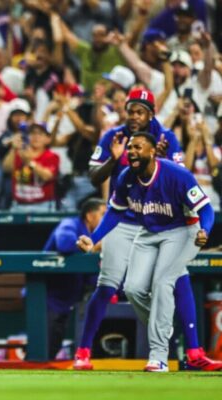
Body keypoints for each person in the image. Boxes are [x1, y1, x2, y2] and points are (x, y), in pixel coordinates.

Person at [74, 89, 219, 371]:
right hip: (130, 220)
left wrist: (203, 227)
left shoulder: (166, 138)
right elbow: (95, 179)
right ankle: (84, 351)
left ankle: (190, 351)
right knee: (115, 285)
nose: (134, 116)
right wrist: (114, 159)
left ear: (151, 114)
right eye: (130, 110)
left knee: (172, 279)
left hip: (169, 222)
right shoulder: (115, 138)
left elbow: (182, 182)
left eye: (140, 111)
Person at [43, 198, 106, 359]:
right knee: (46, 350)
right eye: (102, 214)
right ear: (90, 216)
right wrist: (92, 247)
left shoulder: (96, 234)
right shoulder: (69, 224)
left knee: (54, 347)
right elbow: (64, 244)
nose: (106, 218)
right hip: (47, 296)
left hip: (69, 298)